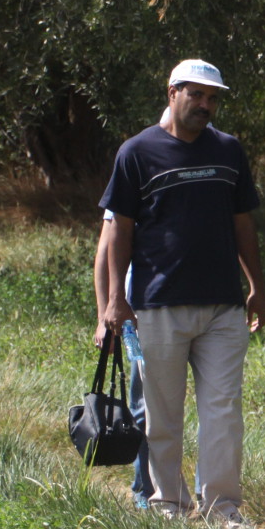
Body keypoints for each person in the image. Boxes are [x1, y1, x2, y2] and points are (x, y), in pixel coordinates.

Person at [101, 59, 265, 529]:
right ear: (172, 91)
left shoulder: (229, 151)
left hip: (223, 307)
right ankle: (168, 507)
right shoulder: (136, 152)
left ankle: (223, 511)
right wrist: (115, 300)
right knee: (161, 416)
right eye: (197, 95)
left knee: (223, 412)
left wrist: (256, 286)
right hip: (157, 306)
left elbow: (243, 224)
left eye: (213, 98)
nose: (207, 106)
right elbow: (118, 232)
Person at [93, 209, 155, 510]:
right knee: (144, 405)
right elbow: (105, 250)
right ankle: (145, 490)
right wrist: (105, 314)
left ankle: (204, 496)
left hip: (190, 304)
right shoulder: (133, 172)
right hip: (138, 311)